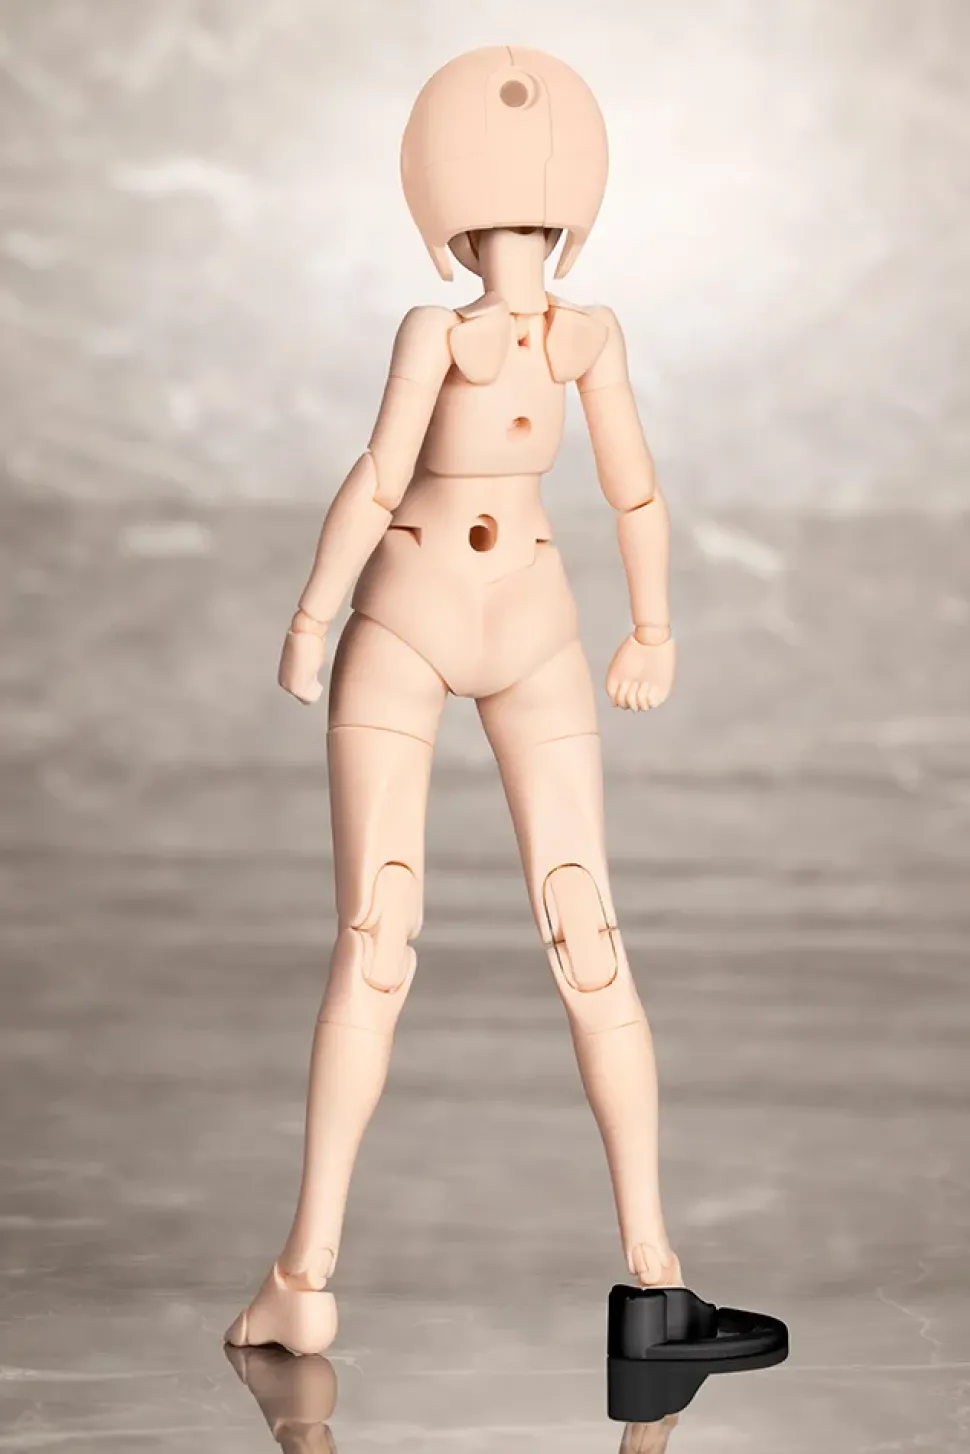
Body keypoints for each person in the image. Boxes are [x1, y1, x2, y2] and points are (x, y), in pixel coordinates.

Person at [227, 45, 681, 1357]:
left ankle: (637, 1259)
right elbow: (399, 479)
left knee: (548, 930)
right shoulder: (477, 335)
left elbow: (611, 489)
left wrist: (653, 627)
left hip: (495, 621)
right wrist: (318, 615)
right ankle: (637, 1268)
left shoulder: (565, 336)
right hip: (440, 621)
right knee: (413, 933)